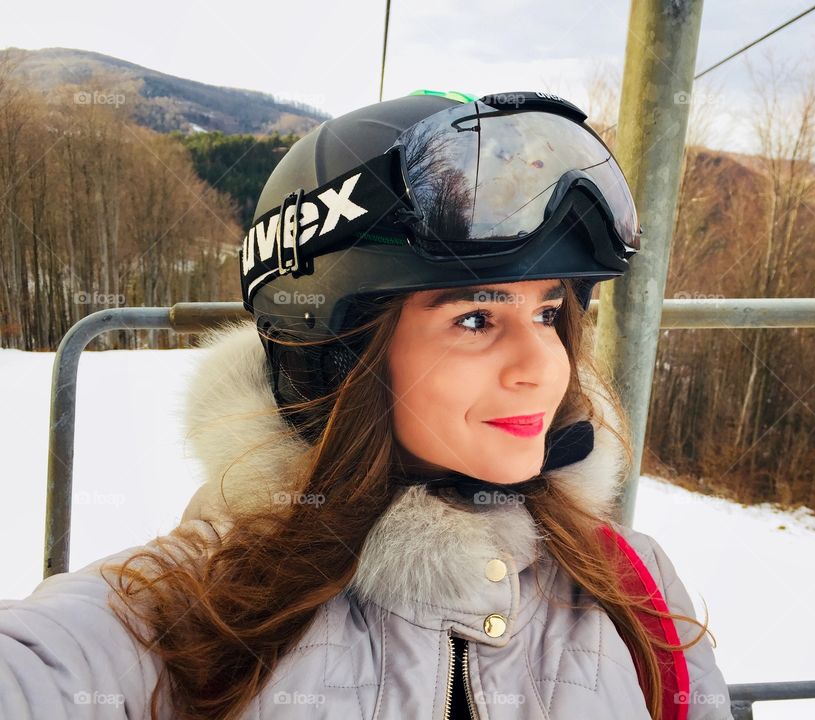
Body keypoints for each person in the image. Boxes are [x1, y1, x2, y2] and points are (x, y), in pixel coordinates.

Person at [0, 90, 734, 720]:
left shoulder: (630, 581)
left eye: (548, 314)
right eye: (476, 320)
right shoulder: (202, 603)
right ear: (337, 357)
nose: (544, 368)